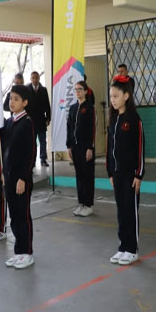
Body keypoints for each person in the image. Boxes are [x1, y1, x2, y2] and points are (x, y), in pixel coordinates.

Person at [106, 75, 144, 266]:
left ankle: (132, 249)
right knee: (121, 212)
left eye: (116, 96)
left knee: (131, 211)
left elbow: (140, 149)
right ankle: (123, 246)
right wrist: (110, 172)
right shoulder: (114, 119)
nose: (112, 99)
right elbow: (109, 147)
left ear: (126, 96)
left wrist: (139, 174)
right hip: (117, 174)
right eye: (111, 96)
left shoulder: (133, 119)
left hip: (130, 175)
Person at [3, 84, 37, 270]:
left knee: (23, 215)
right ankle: (18, 251)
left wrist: (23, 177)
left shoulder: (27, 123)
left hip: (20, 179)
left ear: (25, 102)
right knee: (14, 216)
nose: (12, 102)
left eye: (16, 99)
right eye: (10, 99)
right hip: (8, 177)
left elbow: (31, 153)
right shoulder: (10, 122)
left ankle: (27, 252)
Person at [67, 80, 96, 217]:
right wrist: (69, 146)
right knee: (79, 176)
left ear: (85, 91)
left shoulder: (89, 107)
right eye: (76, 89)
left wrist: (90, 147)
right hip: (75, 147)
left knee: (87, 176)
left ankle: (89, 204)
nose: (77, 91)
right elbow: (69, 127)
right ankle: (81, 203)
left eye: (80, 89)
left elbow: (92, 129)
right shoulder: (73, 108)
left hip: (86, 147)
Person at [27, 71, 51, 167]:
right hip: (30, 120)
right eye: (33, 78)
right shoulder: (27, 89)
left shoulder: (43, 90)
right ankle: (32, 161)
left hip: (41, 119)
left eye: (36, 78)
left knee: (42, 141)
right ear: (30, 79)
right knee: (32, 142)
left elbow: (47, 105)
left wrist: (48, 117)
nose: (35, 79)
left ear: (39, 78)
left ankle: (43, 159)